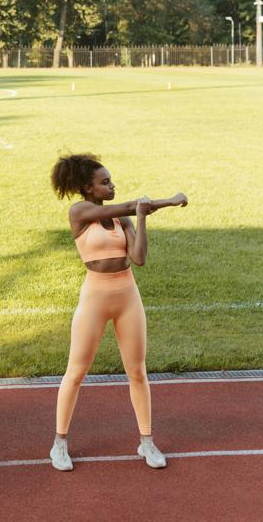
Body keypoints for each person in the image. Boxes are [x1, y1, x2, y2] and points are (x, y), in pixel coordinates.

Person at [48, 153, 187, 471]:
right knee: (77, 371)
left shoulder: (123, 218)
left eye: (111, 180)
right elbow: (124, 205)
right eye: (105, 182)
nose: (112, 185)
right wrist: (170, 200)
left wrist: (140, 218)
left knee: (137, 371)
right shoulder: (80, 212)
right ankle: (59, 444)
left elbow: (138, 259)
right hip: (95, 297)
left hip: (127, 295)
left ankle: (147, 442)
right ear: (88, 187)